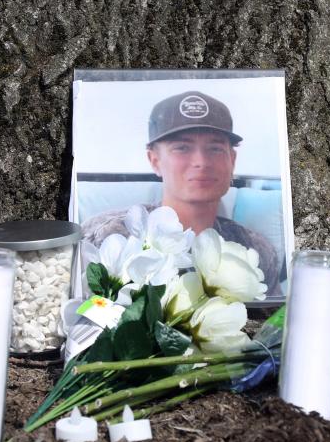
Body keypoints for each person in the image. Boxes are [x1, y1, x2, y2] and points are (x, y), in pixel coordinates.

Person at [80, 90, 282, 298]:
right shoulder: (107, 235)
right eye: (182, 148)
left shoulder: (254, 249)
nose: (201, 162)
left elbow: (272, 325)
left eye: (215, 149)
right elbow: (78, 313)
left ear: (232, 160)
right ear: (154, 160)